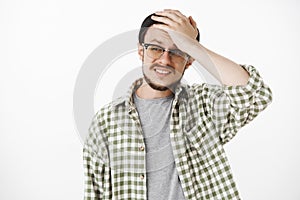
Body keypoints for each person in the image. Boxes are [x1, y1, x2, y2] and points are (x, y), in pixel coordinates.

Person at [83, 9, 272, 200]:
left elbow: (255, 93)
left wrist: (192, 45)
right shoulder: (106, 122)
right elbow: (95, 193)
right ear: (141, 51)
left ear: (189, 61)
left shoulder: (203, 104)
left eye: (177, 51)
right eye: (156, 48)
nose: (165, 60)